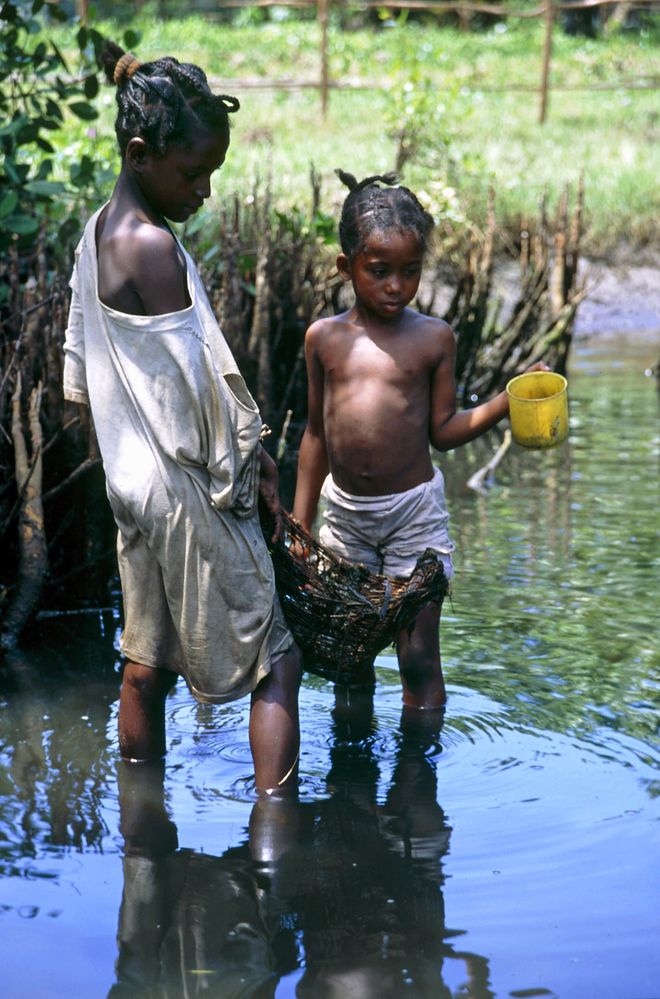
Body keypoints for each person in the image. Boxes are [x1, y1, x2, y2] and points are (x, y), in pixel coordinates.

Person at [62, 43, 301, 793]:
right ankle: (275, 833)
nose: (203, 190)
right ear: (140, 154)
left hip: (133, 488)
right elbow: (201, 391)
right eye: (192, 173)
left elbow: (82, 364)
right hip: (188, 491)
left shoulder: (99, 230)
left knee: (145, 662)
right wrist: (248, 468)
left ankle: (142, 826)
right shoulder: (155, 248)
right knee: (276, 658)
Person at [293, 170, 547, 709]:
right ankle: (352, 775)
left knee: (418, 657)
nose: (396, 286)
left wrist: (507, 400)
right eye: (379, 271)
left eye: (410, 273)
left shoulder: (433, 338)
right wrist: (300, 521)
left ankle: (419, 775)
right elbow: (315, 434)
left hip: (413, 515)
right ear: (346, 268)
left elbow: (444, 431)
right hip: (345, 517)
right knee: (349, 656)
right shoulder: (325, 339)